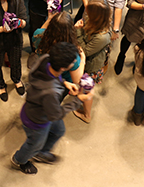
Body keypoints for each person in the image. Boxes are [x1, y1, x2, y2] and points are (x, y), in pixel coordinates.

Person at [10, 42, 93, 175]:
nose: (74, 63)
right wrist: (78, 101)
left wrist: (65, 83)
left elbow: (51, 78)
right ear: (63, 67)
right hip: (37, 121)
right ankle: (19, 160)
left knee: (59, 130)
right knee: (33, 144)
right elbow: (56, 115)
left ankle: (40, 153)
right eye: (73, 62)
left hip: (42, 108)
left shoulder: (46, 60)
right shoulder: (50, 92)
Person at [73, 0, 112, 123]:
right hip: (87, 62)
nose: (85, 13)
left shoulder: (102, 36)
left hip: (90, 67)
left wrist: (78, 30)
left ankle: (87, 115)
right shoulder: (97, 22)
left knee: (86, 90)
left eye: (88, 12)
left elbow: (85, 50)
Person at [31, 12, 86, 85]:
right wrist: (83, 59)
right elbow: (76, 80)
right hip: (62, 82)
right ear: (70, 30)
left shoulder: (38, 36)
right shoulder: (70, 53)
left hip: (45, 72)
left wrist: (49, 19)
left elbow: (43, 31)